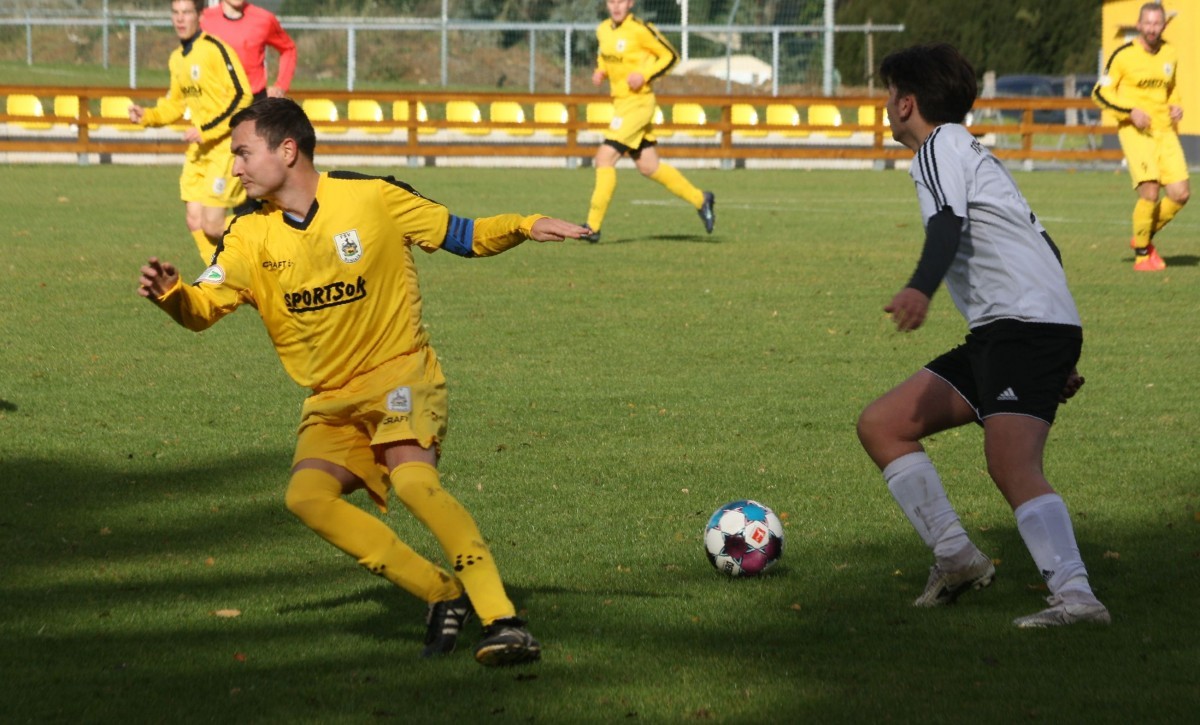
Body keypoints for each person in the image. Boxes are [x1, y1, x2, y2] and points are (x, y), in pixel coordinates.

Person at [137, 97, 588, 664]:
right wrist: (173, 295)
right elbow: (203, 309)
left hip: (400, 374)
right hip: (331, 398)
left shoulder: (372, 196)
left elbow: (463, 233)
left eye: (244, 153)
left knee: (414, 483)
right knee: (306, 498)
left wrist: (524, 224)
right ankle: (441, 594)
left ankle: (504, 621)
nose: (235, 167)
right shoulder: (248, 235)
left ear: (287, 150)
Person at [856, 43, 1110, 628]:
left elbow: (948, 224)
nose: (885, 104)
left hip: (1019, 330)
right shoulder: (970, 150)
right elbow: (1048, 247)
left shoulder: (937, 148)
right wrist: (1058, 350)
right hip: (1014, 332)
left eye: (888, 93)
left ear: (906, 104)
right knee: (884, 425)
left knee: (1011, 463)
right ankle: (957, 559)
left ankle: (1077, 597)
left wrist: (920, 288)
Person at [580, 0, 714, 243]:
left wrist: (644, 75)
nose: (616, 6)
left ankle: (593, 226)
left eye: (621, 1)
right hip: (621, 103)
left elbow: (670, 56)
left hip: (639, 104)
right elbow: (605, 57)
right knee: (649, 166)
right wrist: (601, 71)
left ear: (630, 3)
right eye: (611, 1)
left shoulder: (641, 30)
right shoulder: (603, 29)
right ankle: (701, 199)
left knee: (604, 158)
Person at [129, 0, 252, 264]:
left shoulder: (215, 49)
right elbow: (175, 104)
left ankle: (270, 232)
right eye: (175, 13)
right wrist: (148, 116)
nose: (180, 19)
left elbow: (243, 96)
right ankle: (219, 276)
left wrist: (206, 129)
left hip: (225, 147)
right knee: (195, 220)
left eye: (186, 12)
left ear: (199, 15)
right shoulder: (177, 58)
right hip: (199, 150)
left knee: (213, 225)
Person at [1092, 2, 1190, 271]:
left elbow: (1171, 89)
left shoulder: (1170, 53)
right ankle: (1143, 256)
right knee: (1150, 188)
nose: (1152, 28)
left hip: (1164, 131)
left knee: (1181, 194)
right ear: (1138, 25)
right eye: (1147, 23)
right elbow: (1099, 92)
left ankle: (1142, 235)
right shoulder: (1123, 55)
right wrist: (1129, 112)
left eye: (1157, 23)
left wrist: (1176, 105)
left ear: (1164, 25)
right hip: (1136, 131)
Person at [201, 0, 297, 103]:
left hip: (253, 102)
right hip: (215, 101)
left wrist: (281, 86)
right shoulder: (203, 19)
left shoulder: (264, 19)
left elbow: (288, 49)